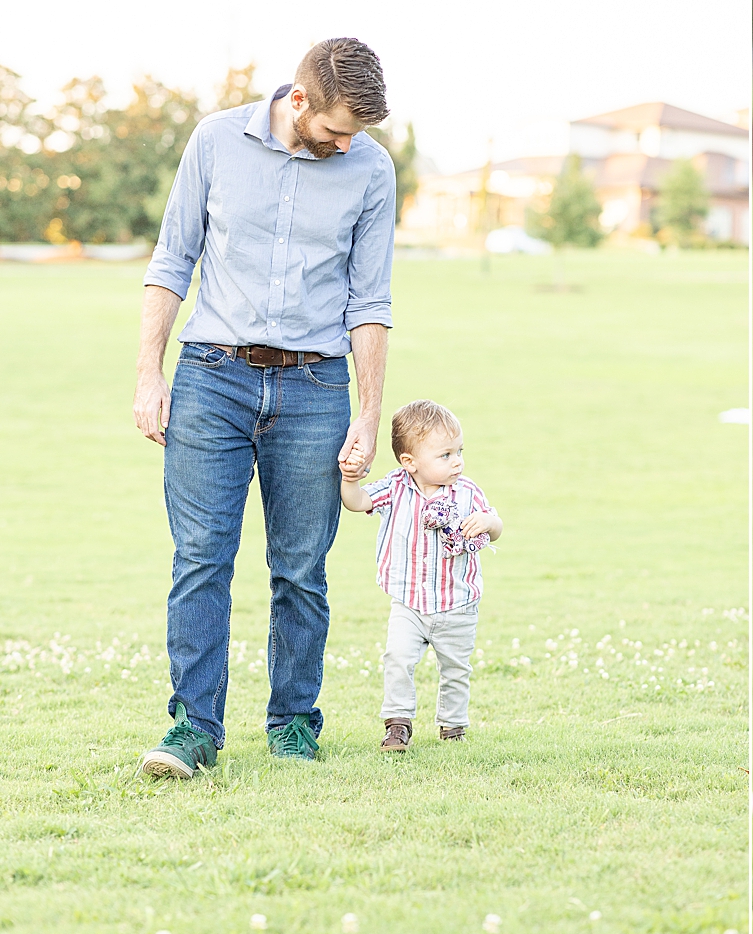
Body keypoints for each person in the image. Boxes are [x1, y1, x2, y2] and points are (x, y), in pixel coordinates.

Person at [134, 38, 396, 777]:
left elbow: (369, 300)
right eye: (338, 130)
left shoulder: (371, 168)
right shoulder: (215, 140)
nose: (347, 144)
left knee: (301, 569)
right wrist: (149, 373)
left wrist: (369, 412)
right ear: (300, 100)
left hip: (316, 389)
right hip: (211, 377)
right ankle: (193, 729)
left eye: (358, 134)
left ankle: (292, 726)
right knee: (200, 560)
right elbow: (171, 259)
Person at [339, 399, 502, 751]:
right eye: (445, 455)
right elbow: (358, 501)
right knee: (397, 659)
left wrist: (487, 523)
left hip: (456, 602)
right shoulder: (396, 487)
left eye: (459, 451)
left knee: (456, 669)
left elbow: (497, 525)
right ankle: (397, 724)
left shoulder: (467, 492)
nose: (457, 460)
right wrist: (350, 480)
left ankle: (453, 726)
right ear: (409, 462)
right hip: (408, 603)